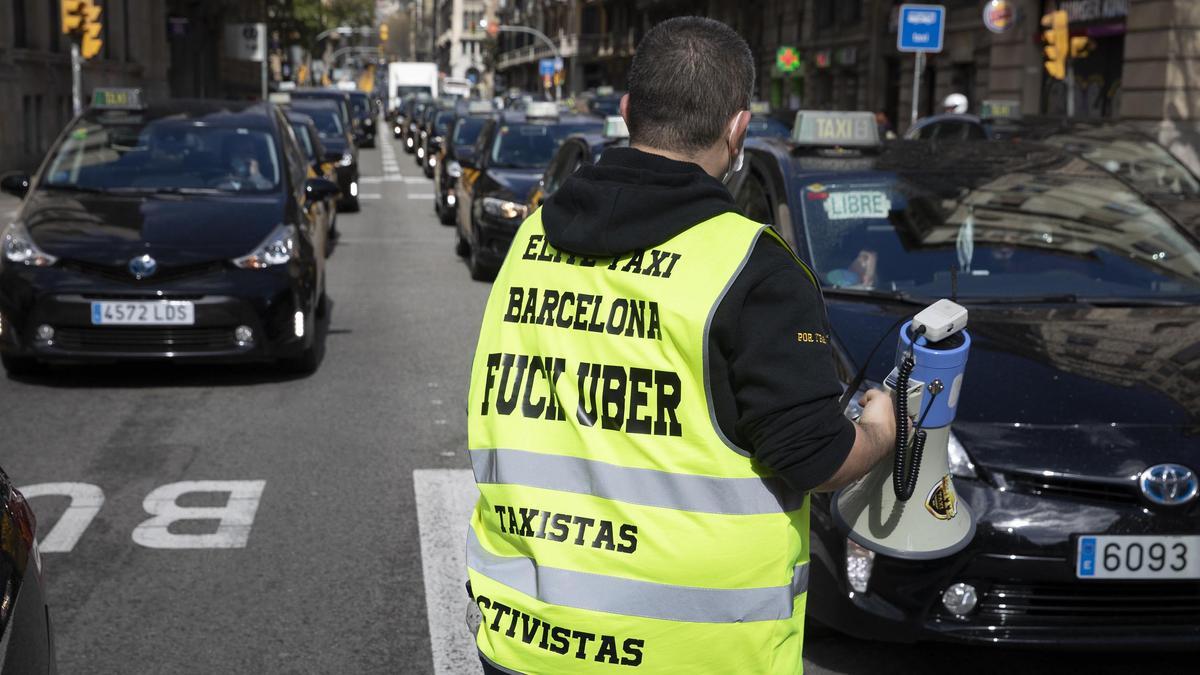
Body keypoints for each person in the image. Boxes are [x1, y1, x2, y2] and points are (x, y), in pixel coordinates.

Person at [463, 16, 897, 674]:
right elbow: (816, 458)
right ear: (737, 130)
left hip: (527, 638)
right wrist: (882, 429)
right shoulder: (754, 267)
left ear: (630, 111)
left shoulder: (533, 239)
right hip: (693, 654)